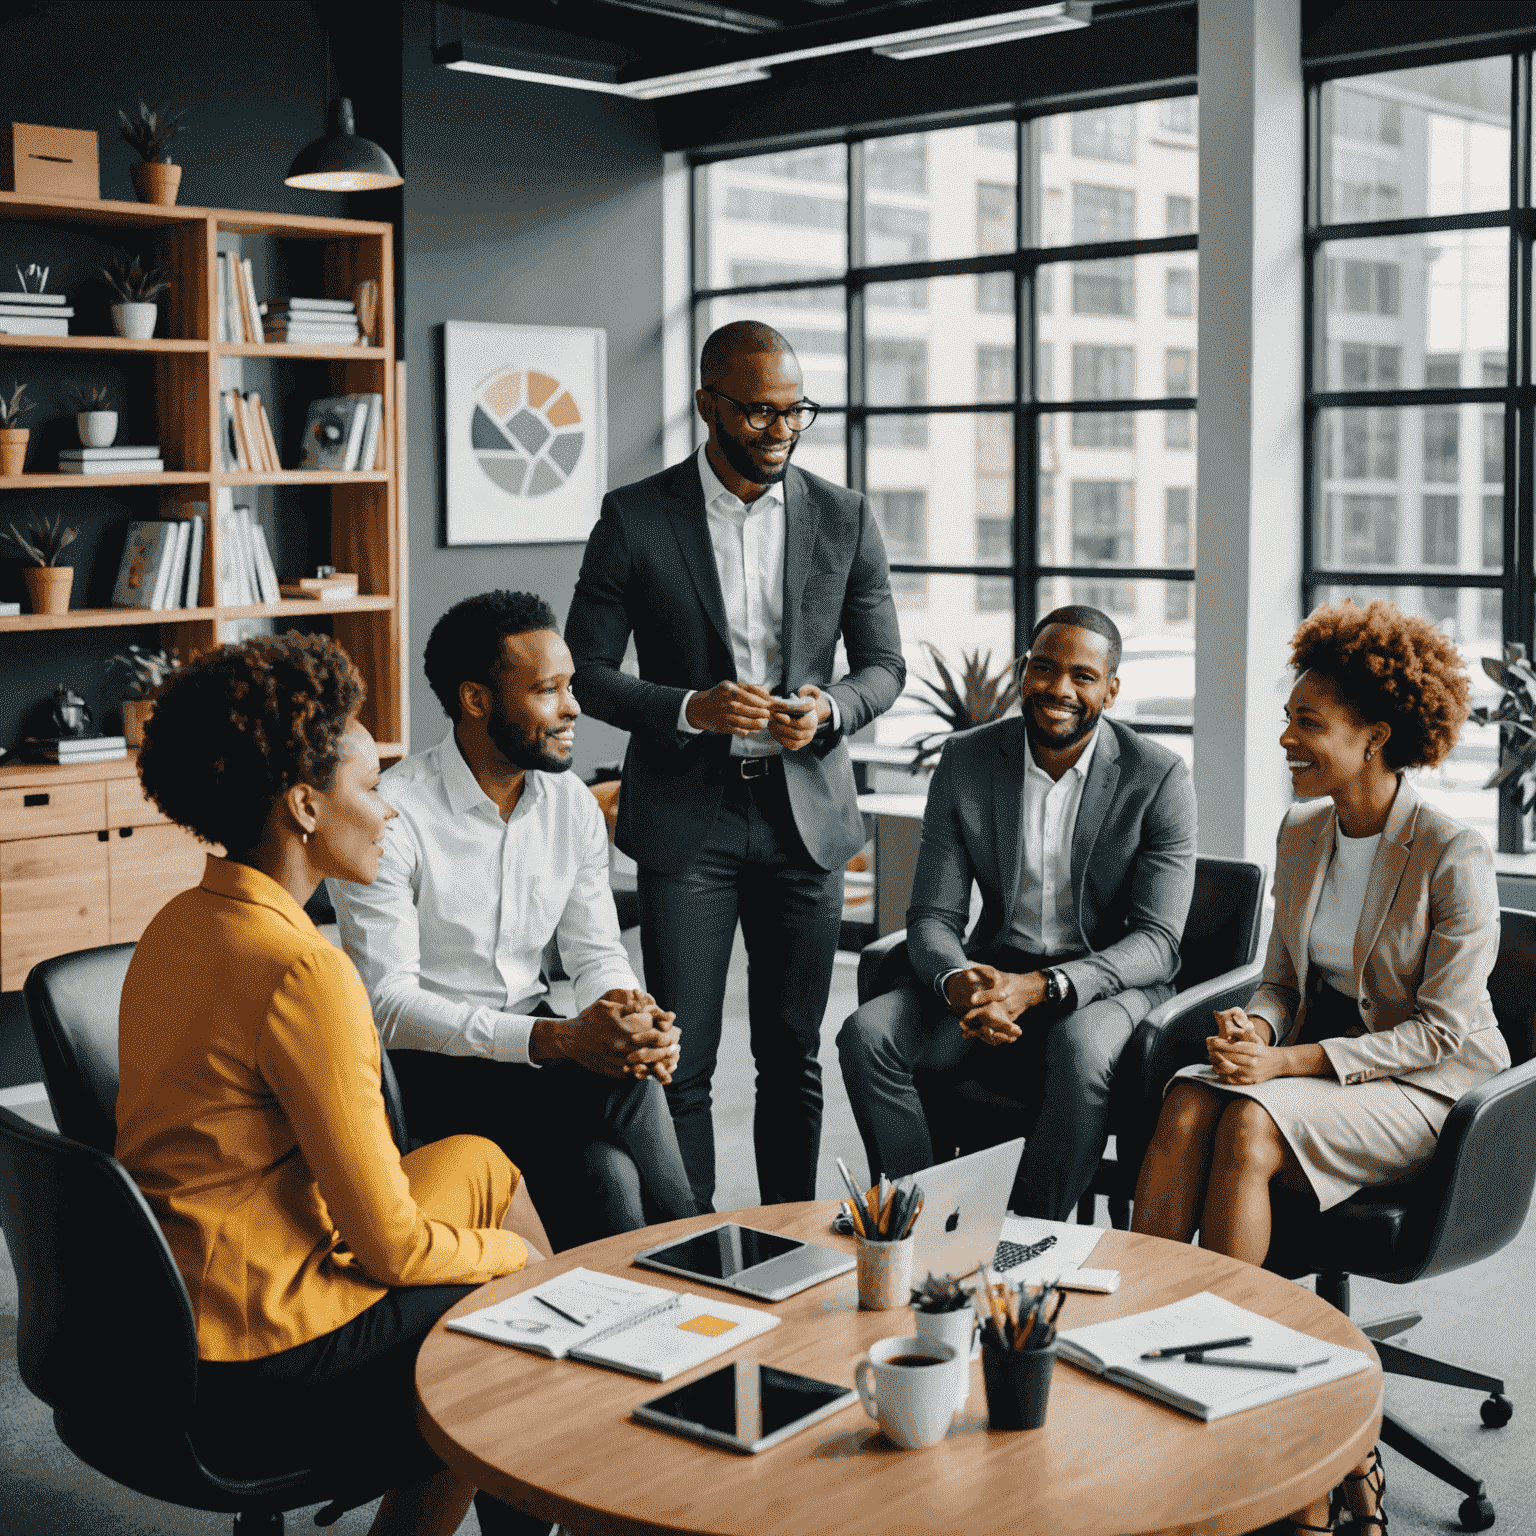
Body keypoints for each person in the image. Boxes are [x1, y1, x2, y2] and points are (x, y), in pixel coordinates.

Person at [117, 633, 548, 1536]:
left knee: (478, 1163)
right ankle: (505, 1464)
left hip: (171, 1306)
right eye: (370, 788)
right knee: (511, 1310)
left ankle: (513, 1490)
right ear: (306, 807)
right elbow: (390, 1250)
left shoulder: (178, 924)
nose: (391, 811)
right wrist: (519, 1266)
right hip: (254, 1354)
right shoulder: (303, 971)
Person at [1131, 598, 1509, 1536]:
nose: (1287, 738)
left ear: (1376, 737)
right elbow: (1280, 980)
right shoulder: (1303, 830)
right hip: (1328, 1073)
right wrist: (1255, 1032)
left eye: (1309, 722)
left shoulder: (1454, 851)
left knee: (1250, 1120)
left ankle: (1237, 1386)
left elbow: (1441, 1034)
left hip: (1434, 1091)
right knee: (1187, 1100)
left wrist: (1288, 1062)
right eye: (1291, 716)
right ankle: (1149, 1353)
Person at [565, 319, 906, 1211]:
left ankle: (790, 1236)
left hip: (808, 819)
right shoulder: (635, 517)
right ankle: (691, 1246)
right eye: (758, 413)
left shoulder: (847, 516)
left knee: (793, 1056)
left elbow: (884, 667)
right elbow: (586, 671)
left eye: (797, 413)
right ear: (707, 404)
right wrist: (689, 708)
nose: (780, 432)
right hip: (690, 822)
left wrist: (831, 709)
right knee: (686, 1057)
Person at [329, 590, 696, 1254]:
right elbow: (387, 1006)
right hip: (432, 1070)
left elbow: (594, 953)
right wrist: (559, 1040)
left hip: (539, 1059)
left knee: (607, 1175)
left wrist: (624, 1010)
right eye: (548, 691)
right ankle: (704, 1259)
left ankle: (649, 1316)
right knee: (627, 1089)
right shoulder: (392, 817)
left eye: (571, 687)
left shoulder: (570, 807)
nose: (574, 708)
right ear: (477, 701)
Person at [837, 605, 1197, 1221]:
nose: (1059, 689)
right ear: (1024, 672)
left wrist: (1045, 987)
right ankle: (923, 1218)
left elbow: (1159, 943)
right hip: (996, 974)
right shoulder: (970, 759)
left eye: (1083, 676)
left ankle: (1027, 1238)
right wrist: (958, 981)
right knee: (867, 1036)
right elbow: (931, 916)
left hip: (1105, 986)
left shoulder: (1157, 775)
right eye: (1045, 668)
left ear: (1111, 688)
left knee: (1081, 1049)